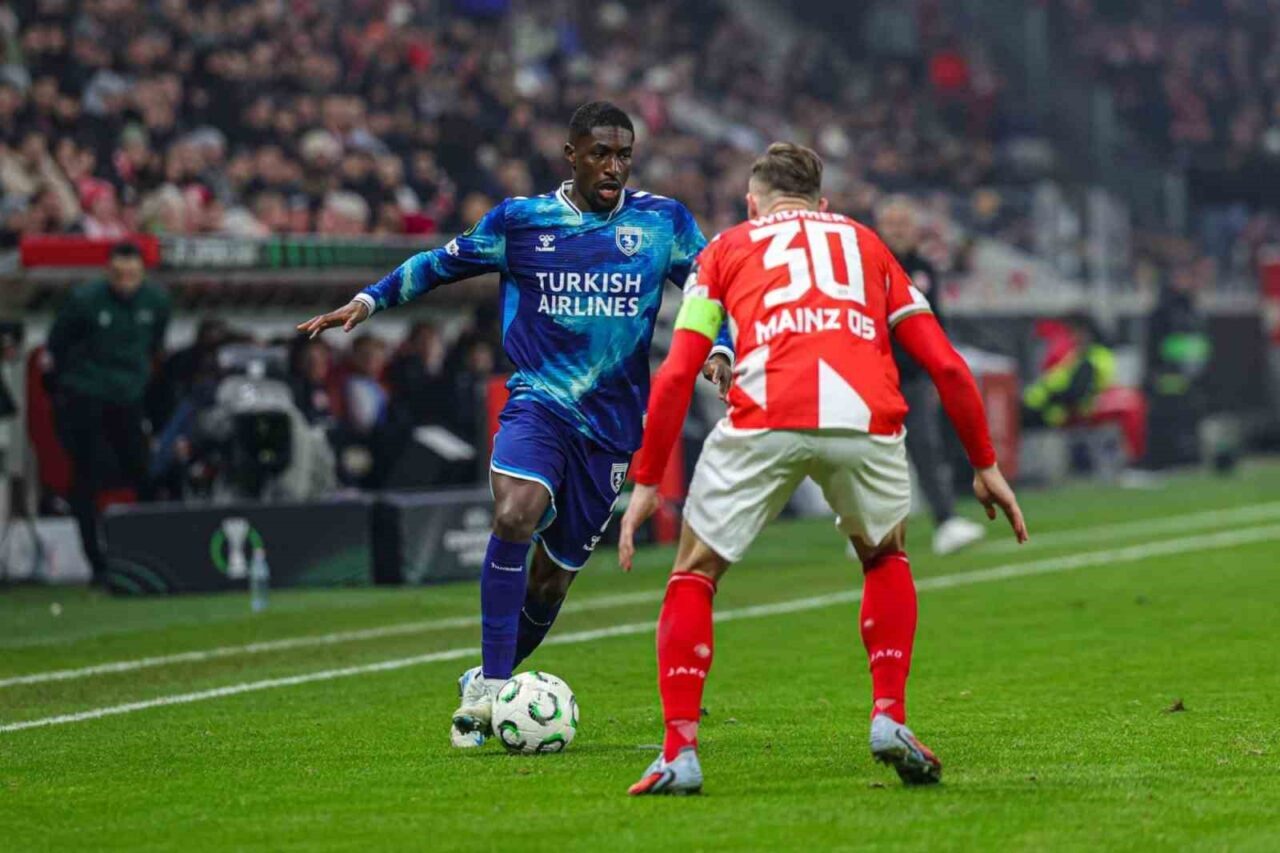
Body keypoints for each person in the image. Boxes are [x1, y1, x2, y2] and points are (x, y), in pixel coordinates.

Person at [298, 101, 733, 748]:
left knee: (551, 581)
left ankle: (485, 679)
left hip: (612, 427)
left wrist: (720, 345)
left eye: (624, 155)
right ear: (571, 154)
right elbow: (439, 262)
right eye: (600, 154)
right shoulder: (521, 221)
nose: (613, 167)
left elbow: (711, 288)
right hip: (539, 403)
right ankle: (492, 689)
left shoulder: (662, 221)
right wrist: (369, 300)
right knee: (514, 513)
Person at [618, 143, 1027, 795]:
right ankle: (889, 716)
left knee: (694, 572)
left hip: (765, 413)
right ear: (823, 203)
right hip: (864, 418)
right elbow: (948, 365)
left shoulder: (725, 248)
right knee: (884, 557)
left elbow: (674, 375)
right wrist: (985, 464)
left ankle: (679, 752)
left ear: (752, 204)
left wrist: (646, 480)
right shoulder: (867, 244)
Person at [47, 241, 170, 584]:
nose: (125, 281)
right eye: (119, 274)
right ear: (108, 272)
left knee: (143, 472)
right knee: (86, 477)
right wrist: (76, 384)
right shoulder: (84, 300)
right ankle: (97, 562)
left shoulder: (157, 302)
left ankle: (146, 555)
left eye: (132, 274)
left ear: (142, 273)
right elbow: (57, 345)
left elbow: (154, 346)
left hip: (129, 398)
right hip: (86, 397)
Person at [877, 195, 987, 555]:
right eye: (892, 224)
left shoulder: (924, 268)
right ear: (881, 228)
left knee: (926, 448)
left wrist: (939, 372)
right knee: (872, 455)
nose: (898, 231)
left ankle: (946, 521)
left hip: (914, 377)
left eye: (904, 224)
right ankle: (867, 528)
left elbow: (935, 323)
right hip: (875, 377)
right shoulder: (867, 267)